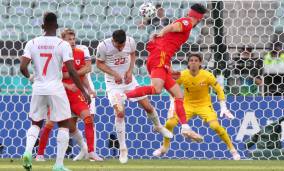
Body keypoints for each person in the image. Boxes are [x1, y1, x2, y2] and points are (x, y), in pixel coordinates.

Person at [113, 4, 207, 142]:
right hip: (159, 57)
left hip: (162, 59)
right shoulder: (187, 22)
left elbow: (170, 40)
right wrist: (162, 32)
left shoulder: (185, 23)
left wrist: (169, 69)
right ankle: (121, 96)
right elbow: (172, 27)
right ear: (199, 18)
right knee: (156, 89)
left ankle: (185, 127)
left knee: (178, 95)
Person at [20, 12, 90, 171]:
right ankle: (58, 165)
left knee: (36, 123)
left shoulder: (32, 42)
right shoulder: (62, 44)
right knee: (64, 124)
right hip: (56, 89)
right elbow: (72, 71)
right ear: (57, 27)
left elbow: (22, 67)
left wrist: (31, 78)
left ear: (42, 26)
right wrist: (83, 91)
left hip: (38, 88)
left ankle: (27, 151)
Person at [96, 29, 173, 164]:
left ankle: (159, 126)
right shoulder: (103, 46)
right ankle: (123, 149)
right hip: (113, 85)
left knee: (147, 106)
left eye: (122, 45)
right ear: (112, 40)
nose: (120, 48)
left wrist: (130, 71)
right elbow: (98, 64)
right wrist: (114, 74)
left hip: (130, 82)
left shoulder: (131, 42)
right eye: (117, 46)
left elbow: (132, 54)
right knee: (120, 113)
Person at [152, 53, 241, 160]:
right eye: (191, 60)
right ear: (188, 63)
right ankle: (164, 148)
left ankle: (233, 150)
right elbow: (172, 89)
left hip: (204, 105)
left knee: (215, 127)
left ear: (200, 63)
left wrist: (223, 107)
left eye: (196, 60)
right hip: (187, 105)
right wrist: (172, 106)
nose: (193, 62)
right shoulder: (182, 75)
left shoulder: (207, 75)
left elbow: (218, 90)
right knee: (169, 123)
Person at [34, 28, 102, 162]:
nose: (72, 42)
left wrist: (88, 89)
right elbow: (51, 77)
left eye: (73, 39)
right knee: (49, 124)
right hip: (59, 94)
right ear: (62, 41)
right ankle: (40, 154)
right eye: (69, 39)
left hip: (75, 94)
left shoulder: (79, 53)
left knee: (88, 118)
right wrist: (67, 85)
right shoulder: (57, 55)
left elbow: (83, 76)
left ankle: (91, 152)